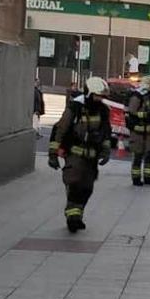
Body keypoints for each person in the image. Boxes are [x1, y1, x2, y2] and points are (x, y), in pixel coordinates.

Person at [48, 77, 112, 233]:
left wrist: (106, 151)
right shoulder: (75, 108)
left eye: (102, 96)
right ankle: (72, 218)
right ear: (89, 93)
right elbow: (60, 130)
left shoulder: (103, 110)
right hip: (74, 154)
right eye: (97, 96)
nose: (100, 99)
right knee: (74, 184)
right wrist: (53, 154)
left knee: (87, 188)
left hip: (91, 157)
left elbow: (106, 133)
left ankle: (78, 214)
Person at [127, 75, 150, 186]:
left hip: (148, 132)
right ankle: (136, 179)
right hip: (137, 132)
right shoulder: (137, 96)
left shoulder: (148, 96)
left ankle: (148, 177)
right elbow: (132, 112)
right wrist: (145, 115)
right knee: (138, 156)